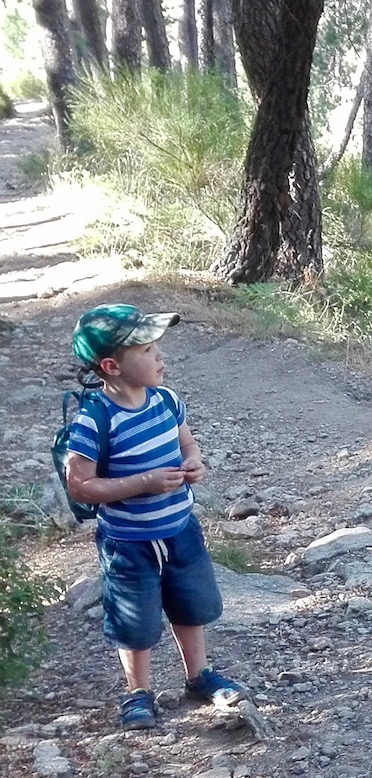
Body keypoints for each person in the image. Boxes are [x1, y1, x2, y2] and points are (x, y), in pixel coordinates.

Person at [62, 304, 248, 730]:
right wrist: (141, 482)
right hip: (128, 542)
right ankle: (138, 692)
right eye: (147, 349)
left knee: (191, 604)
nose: (161, 357)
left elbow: (189, 446)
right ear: (112, 366)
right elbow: (81, 485)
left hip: (180, 528)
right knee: (136, 620)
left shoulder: (166, 401)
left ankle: (199, 677)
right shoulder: (95, 420)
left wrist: (194, 464)